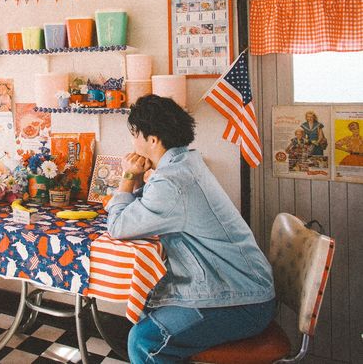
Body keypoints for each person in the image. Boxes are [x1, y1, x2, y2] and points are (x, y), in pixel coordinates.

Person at [107, 95, 275, 363]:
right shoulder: (185, 163)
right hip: (242, 287)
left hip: (241, 302)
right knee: (148, 303)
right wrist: (136, 180)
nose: (132, 142)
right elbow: (144, 210)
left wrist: (127, 176)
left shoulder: (171, 181)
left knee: (143, 340)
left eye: (135, 134)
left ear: (153, 140)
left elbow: (118, 226)